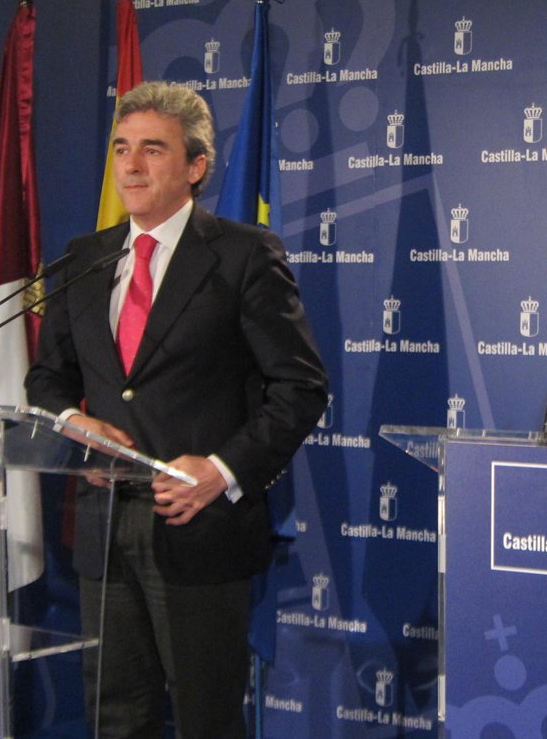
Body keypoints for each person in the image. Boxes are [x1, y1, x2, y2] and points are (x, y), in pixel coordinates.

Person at [25, 81, 328, 738]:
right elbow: (46, 379)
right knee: (116, 718)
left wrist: (222, 470)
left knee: (205, 721)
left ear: (196, 166)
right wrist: (74, 424)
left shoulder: (243, 255)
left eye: (153, 150)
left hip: (200, 526)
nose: (131, 165)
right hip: (105, 522)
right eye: (121, 148)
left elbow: (301, 387)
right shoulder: (82, 259)